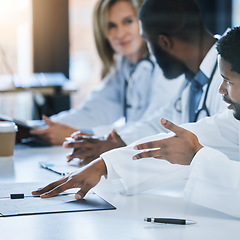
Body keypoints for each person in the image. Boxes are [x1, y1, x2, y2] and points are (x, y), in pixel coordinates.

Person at [32, 16, 240, 240]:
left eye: (228, 82)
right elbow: (186, 141)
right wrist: (106, 166)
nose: (220, 92)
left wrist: (197, 157)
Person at [62, 0, 227, 164]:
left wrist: (113, 159)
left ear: (164, 42)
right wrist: (117, 143)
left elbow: (209, 148)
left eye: (148, 43)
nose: (150, 54)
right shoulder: (192, 79)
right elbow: (161, 123)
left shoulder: (229, 80)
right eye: (111, 26)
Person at [30, 0, 184, 146]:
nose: (120, 34)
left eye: (128, 21)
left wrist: (81, 134)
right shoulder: (123, 65)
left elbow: (156, 126)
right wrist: (42, 126)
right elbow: (94, 111)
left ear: (143, 22)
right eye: (111, 26)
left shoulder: (165, 65)